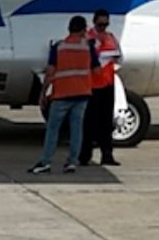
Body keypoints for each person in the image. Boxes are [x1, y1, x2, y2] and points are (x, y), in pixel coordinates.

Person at [31, 16, 98, 174]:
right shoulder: (88, 48)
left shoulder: (59, 47)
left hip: (62, 94)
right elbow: (97, 71)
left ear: (69, 29)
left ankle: (46, 161)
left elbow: (50, 72)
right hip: (82, 93)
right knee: (76, 129)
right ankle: (72, 162)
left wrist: (43, 93)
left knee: (53, 129)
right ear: (83, 30)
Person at [80, 9, 123, 167]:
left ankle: (107, 155)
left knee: (106, 122)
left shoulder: (111, 37)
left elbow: (120, 56)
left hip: (107, 84)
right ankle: (84, 155)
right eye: (100, 25)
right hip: (92, 85)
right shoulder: (88, 38)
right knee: (89, 123)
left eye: (105, 24)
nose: (103, 28)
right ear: (94, 22)